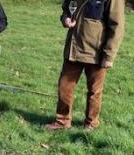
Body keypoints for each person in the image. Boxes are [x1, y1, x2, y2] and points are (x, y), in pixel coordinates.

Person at [46, 0, 125, 131]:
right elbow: (67, 9)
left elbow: (117, 26)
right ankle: (62, 122)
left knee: (95, 91)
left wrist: (109, 55)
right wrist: (65, 18)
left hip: (97, 53)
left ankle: (91, 124)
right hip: (74, 50)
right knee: (64, 87)